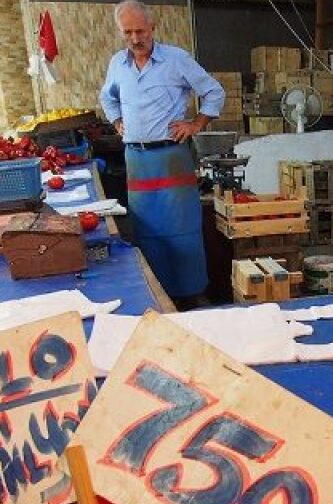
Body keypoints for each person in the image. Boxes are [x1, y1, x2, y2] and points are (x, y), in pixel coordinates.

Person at [99, 0, 225, 310]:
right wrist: (116, 120)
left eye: (140, 31)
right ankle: (157, 292)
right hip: (137, 160)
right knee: (147, 229)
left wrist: (196, 123)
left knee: (183, 229)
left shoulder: (176, 59)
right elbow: (107, 96)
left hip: (172, 157)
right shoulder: (118, 63)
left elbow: (214, 91)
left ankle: (193, 294)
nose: (134, 38)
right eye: (127, 32)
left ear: (153, 28)